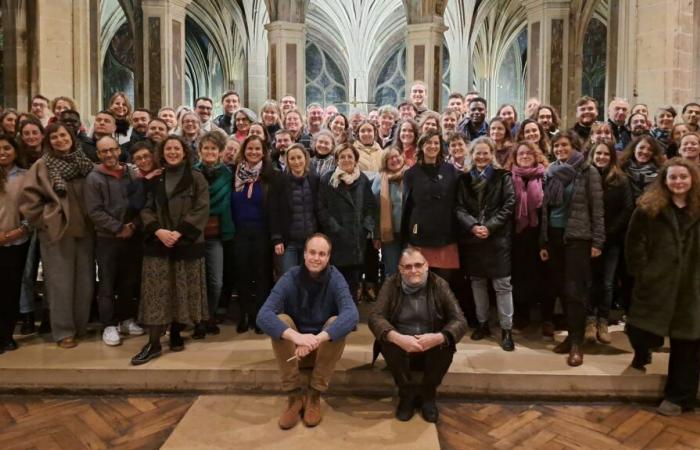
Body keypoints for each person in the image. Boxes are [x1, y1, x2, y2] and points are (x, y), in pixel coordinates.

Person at [256, 233, 359, 429]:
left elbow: (352, 314)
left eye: (322, 254)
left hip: (321, 350)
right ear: (304, 254)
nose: (316, 258)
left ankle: (314, 395)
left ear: (328, 257)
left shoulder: (336, 278)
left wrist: (316, 339)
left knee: (337, 322)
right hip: (294, 352)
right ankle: (294, 396)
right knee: (280, 321)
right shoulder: (290, 276)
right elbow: (263, 315)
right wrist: (297, 337)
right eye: (312, 252)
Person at [625, 158, 700, 416]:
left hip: (692, 286)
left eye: (683, 177)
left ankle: (679, 397)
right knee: (637, 328)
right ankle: (643, 352)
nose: (679, 181)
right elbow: (634, 245)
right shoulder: (648, 209)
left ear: (692, 180)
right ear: (664, 181)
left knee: (687, 343)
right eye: (673, 177)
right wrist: (643, 272)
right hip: (656, 282)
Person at [130, 135, 210, 365]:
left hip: (186, 243)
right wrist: (158, 230)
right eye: (168, 149)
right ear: (162, 153)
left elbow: (202, 208)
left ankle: (176, 332)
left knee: (181, 291)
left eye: (177, 148)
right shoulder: (156, 178)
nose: (173, 152)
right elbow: (145, 209)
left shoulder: (197, 178)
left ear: (184, 152)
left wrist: (181, 232)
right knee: (156, 294)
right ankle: (153, 342)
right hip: (158, 243)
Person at [368, 247, 467, 423]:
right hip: (401, 347)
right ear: (400, 269)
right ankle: (406, 395)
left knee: (447, 342)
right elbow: (375, 317)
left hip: (431, 346)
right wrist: (398, 338)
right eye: (407, 266)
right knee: (387, 340)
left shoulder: (439, 284)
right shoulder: (391, 284)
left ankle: (428, 396)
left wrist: (438, 337)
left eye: (418, 265)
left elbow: (459, 320)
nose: (413, 270)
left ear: (427, 266)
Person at [19, 123, 95, 349]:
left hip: (86, 231)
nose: (60, 140)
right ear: (48, 141)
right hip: (57, 233)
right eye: (54, 137)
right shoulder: (42, 166)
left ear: (71, 136)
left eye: (63, 135)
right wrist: (45, 221)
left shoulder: (85, 163)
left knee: (85, 283)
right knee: (59, 284)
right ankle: (63, 331)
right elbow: (29, 201)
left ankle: (80, 326)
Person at [539, 131, 604, 366]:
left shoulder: (588, 171)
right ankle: (570, 337)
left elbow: (597, 208)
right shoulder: (550, 172)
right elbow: (545, 209)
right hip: (555, 237)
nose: (560, 149)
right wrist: (543, 241)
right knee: (562, 290)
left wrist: (598, 241)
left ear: (574, 146)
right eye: (556, 146)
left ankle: (577, 343)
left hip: (578, 238)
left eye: (564, 145)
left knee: (575, 291)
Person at [456, 137, 516, 351]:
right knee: (477, 283)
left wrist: (489, 227)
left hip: (497, 238)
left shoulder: (503, 177)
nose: (481, 157)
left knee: (502, 285)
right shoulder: (463, 180)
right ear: (471, 155)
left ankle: (507, 329)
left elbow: (509, 204)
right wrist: (473, 226)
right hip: (473, 239)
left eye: (485, 153)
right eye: (477, 153)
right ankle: (482, 325)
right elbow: (459, 208)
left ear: (492, 154)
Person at [84, 136, 145, 347]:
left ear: (119, 150)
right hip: (107, 238)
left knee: (129, 280)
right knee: (107, 282)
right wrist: (118, 228)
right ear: (98, 154)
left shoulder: (131, 172)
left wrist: (133, 225)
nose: (109, 155)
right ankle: (108, 324)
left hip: (132, 235)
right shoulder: (94, 178)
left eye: (112, 150)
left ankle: (127, 318)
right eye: (104, 152)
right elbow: (94, 210)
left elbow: (141, 202)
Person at [402, 131, 461, 299]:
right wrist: (406, 237)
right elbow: (408, 206)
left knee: (444, 282)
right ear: (421, 146)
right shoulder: (411, 173)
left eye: (436, 143)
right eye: (428, 142)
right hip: (420, 233)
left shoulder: (451, 171)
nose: (433, 146)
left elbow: (457, 202)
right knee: (420, 280)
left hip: (446, 234)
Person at [585, 142, 633, 344]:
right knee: (588, 281)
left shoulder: (621, 179)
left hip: (612, 240)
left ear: (611, 156)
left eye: (606, 153)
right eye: (598, 153)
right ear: (592, 154)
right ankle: (589, 321)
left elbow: (627, 209)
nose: (601, 156)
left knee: (606, 283)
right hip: (588, 239)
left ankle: (603, 320)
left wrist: (607, 234)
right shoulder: (584, 176)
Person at [317, 143, 376, 303]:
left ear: (356, 159)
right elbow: (321, 208)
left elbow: (370, 207)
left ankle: (350, 314)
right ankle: (336, 313)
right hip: (335, 238)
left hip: (357, 240)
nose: (346, 159)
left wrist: (365, 228)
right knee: (334, 279)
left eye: (350, 156)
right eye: (342, 156)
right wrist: (334, 228)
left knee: (353, 279)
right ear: (336, 160)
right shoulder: (327, 179)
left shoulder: (362, 179)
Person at [231, 135, 277, 333]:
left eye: (258, 149)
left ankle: (260, 316)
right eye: (250, 149)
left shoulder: (270, 175)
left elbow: (275, 208)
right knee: (242, 274)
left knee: (261, 276)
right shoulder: (233, 173)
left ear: (264, 152)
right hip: (239, 232)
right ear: (244, 150)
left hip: (262, 233)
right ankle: (244, 314)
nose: (253, 152)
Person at [192, 132, 235, 338]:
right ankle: (197, 320)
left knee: (215, 281)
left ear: (220, 152)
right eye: (206, 148)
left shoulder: (228, 174)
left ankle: (208, 315)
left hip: (217, 235)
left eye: (214, 149)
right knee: (195, 280)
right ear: (200, 151)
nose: (210, 152)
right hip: (194, 234)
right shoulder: (192, 173)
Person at [507, 141, 547, 332]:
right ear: (514, 157)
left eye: (528, 153)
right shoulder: (508, 177)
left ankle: (538, 317)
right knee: (518, 276)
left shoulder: (544, 176)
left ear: (536, 155)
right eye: (521, 153)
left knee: (538, 276)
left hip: (538, 234)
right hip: (515, 234)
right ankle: (521, 316)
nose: (524, 156)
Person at [0, 136, 30, 352]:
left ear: (15, 151)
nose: (2, 152)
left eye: (6, 148)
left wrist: (20, 230)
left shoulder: (25, 177)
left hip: (15, 240)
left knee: (10, 291)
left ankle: (6, 335)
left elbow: (32, 207)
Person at [270, 144, 320, 274]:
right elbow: (273, 211)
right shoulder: (280, 181)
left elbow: (319, 209)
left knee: (309, 278)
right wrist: (277, 239)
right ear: (287, 161)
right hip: (289, 241)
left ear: (306, 158)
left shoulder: (314, 180)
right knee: (289, 277)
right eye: (292, 158)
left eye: (299, 157)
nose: (296, 162)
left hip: (310, 241)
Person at [371, 148, 407, 278]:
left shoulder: (411, 175)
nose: (394, 160)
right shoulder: (379, 179)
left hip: (409, 233)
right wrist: (376, 235)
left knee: (410, 269)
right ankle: (392, 298)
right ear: (384, 162)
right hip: (389, 235)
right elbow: (374, 210)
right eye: (390, 158)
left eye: (396, 156)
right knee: (392, 271)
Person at [620, 136, 665, 201]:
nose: (645, 151)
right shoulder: (621, 168)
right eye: (641, 147)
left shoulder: (660, 174)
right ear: (634, 149)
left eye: (650, 150)